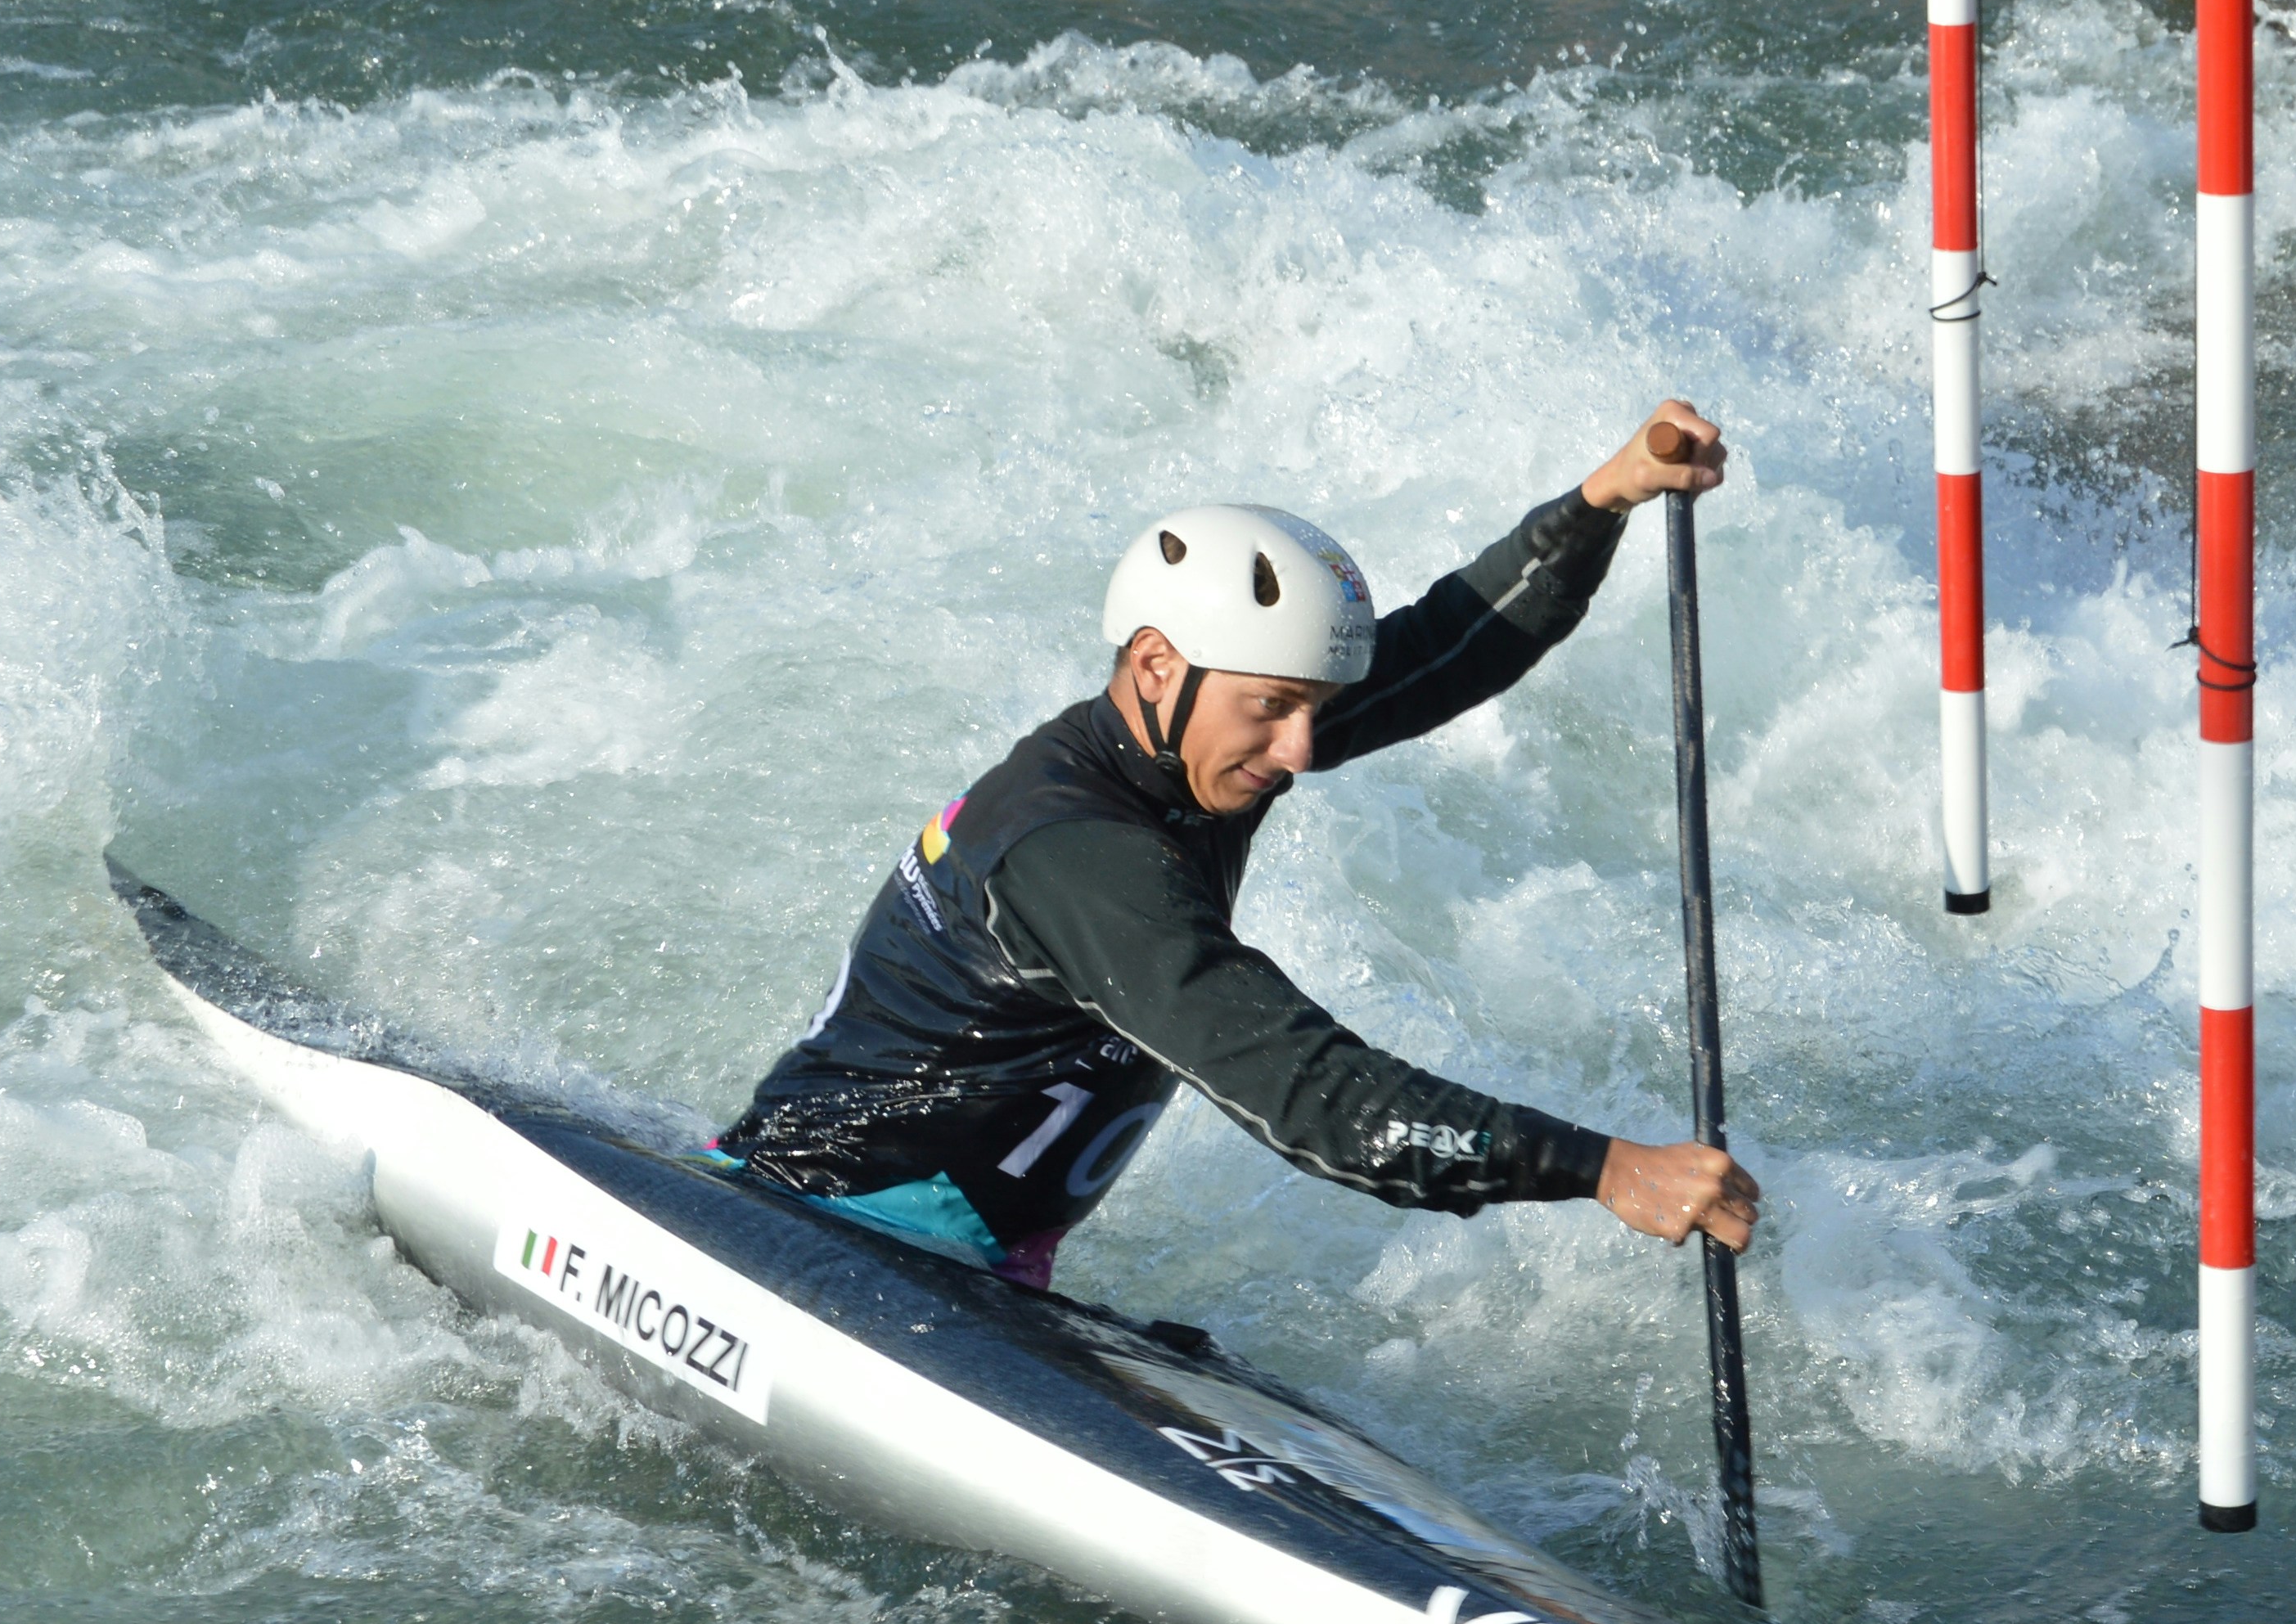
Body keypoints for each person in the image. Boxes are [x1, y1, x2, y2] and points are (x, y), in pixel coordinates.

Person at [713, 402, 1763, 1290]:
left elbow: (1439, 653)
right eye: (1274, 707)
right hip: (825, 1235)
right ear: (1159, 664)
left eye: (1316, 708)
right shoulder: (1075, 854)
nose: (1301, 750)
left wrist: (1603, 501)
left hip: (973, 1263)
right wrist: (1605, 1167)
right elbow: (1322, 1102)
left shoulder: (1195, 746)